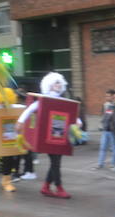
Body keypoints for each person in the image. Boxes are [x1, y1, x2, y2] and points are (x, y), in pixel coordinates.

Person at [17, 71, 80, 199]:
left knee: (55, 163)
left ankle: (46, 186)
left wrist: (79, 122)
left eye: (59, 82)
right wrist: (20, 121)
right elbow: (29, 109)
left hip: (60, 137)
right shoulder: (43, 100)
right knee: (56, 163)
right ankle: (59, 187)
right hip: (48, 137)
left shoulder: (64, 101)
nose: (58, 84)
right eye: (55, 82)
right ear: (49, 85)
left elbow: (72, 114)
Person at [96, 89, 115, 170]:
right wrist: (103, 124)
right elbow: (106, 116)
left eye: (109, 96)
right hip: (106, 130)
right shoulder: (109, 106)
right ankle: (100, 163)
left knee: (114, 148)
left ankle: (113, 163)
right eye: (106, 96)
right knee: (103, 147)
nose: (107, 98)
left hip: (112, 131)